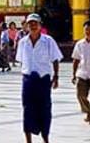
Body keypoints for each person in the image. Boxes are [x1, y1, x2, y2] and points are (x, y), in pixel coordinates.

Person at [16, 13, 63, 143]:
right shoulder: (23, 42)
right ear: (26, 26)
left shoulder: (48, 41)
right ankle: (28, 140)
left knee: (44, 109)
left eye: (35, 23)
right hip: (28, 80)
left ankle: (45, 138)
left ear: (40, 25)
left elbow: (55, 59)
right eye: (30, 23)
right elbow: (21, 60)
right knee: (27, 109)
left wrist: (56, 76)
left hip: (43, 80)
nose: (33, 26)